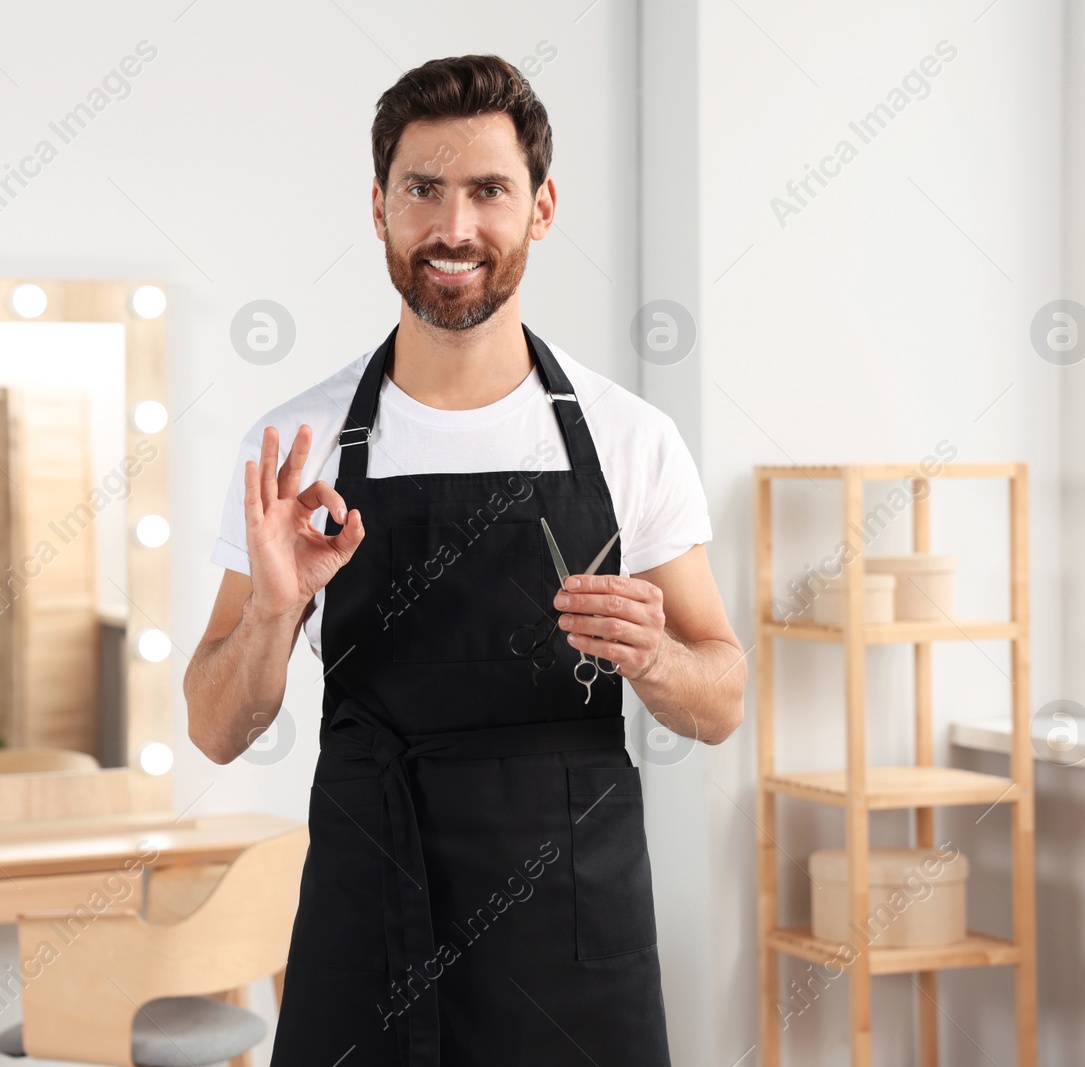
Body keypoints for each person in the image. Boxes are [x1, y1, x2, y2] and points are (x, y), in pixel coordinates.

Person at [187, 53, 745, 1067]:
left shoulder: (629, 438)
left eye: (488, 190)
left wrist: (656, 656)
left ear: (539, 207)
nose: (453, 229)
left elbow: (722, 699)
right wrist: (274, 613)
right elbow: (219, 728)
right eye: (423, 191)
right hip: (370, 905)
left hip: (569, 920)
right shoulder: (298, 447)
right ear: (379, 206)